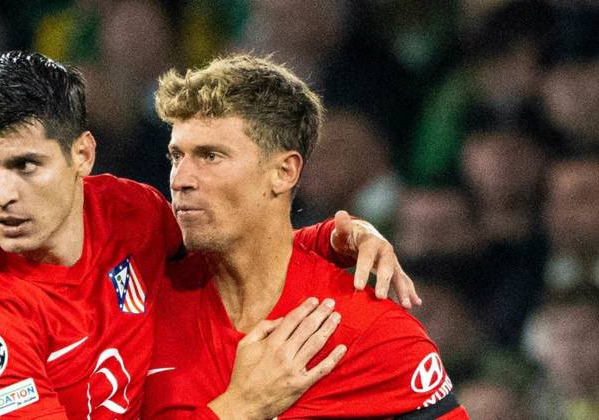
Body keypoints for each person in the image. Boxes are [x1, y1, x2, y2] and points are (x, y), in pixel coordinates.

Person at [0, 51, 419, 419]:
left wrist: (336, 237)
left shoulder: (129, 214)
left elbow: (233, 244)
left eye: (25, 165)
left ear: (82, 155)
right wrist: (240, 407)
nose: (1, 195)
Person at [143, 55, 468, 419]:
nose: (180, 180)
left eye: (210, 156)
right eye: (176, 157)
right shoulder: (140, 300)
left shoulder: (372, 334)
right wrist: (240, 408)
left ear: (284, 172)